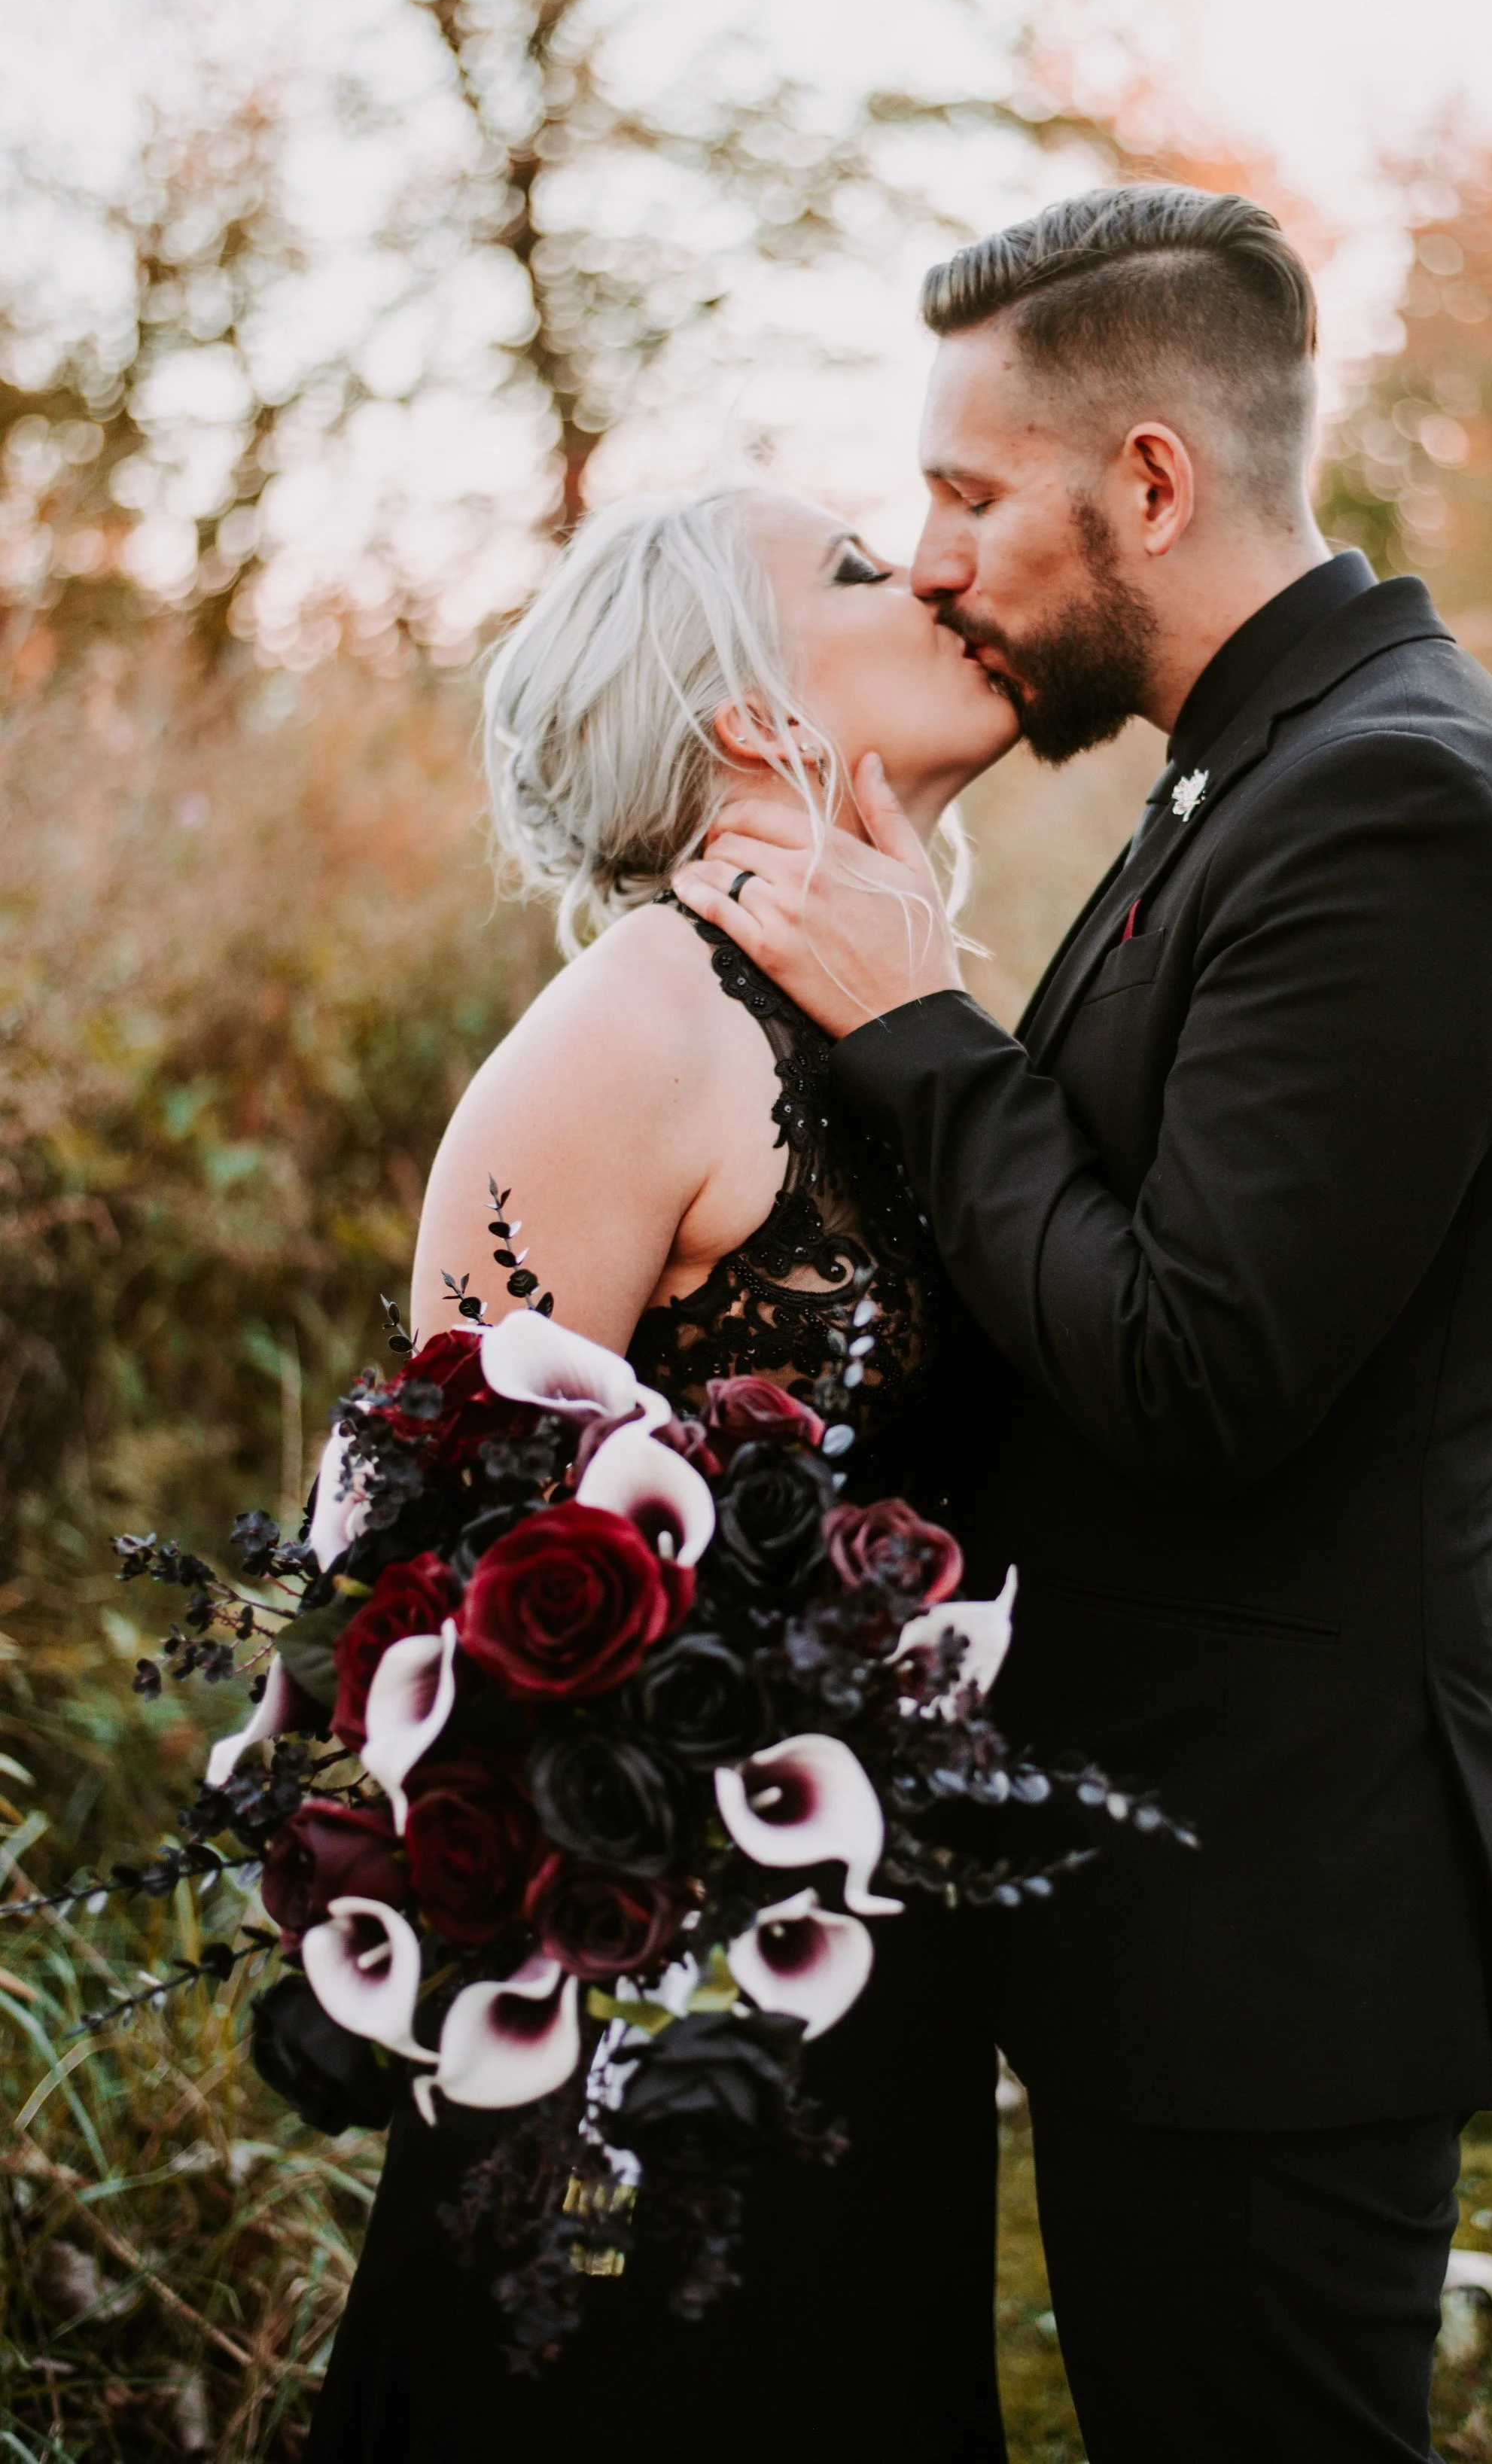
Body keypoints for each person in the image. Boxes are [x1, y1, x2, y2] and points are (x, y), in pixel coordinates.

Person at [674, 183, 1492, 2461]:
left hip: (1283, 1920)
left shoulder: (1399, 805)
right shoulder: (1255, 768)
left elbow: (1197, 1364)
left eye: (970, 493)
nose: (927, 556)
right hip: (1171, 1887)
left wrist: (918, 1017)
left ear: (1155, 483)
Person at [306, 486, 1018, 2463]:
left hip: (879, 1943)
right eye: (865, 573)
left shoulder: (890, 1013)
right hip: (657, 2007)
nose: (937, 579)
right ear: (743, 712)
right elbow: (435, 1600)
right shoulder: (637, 1024)